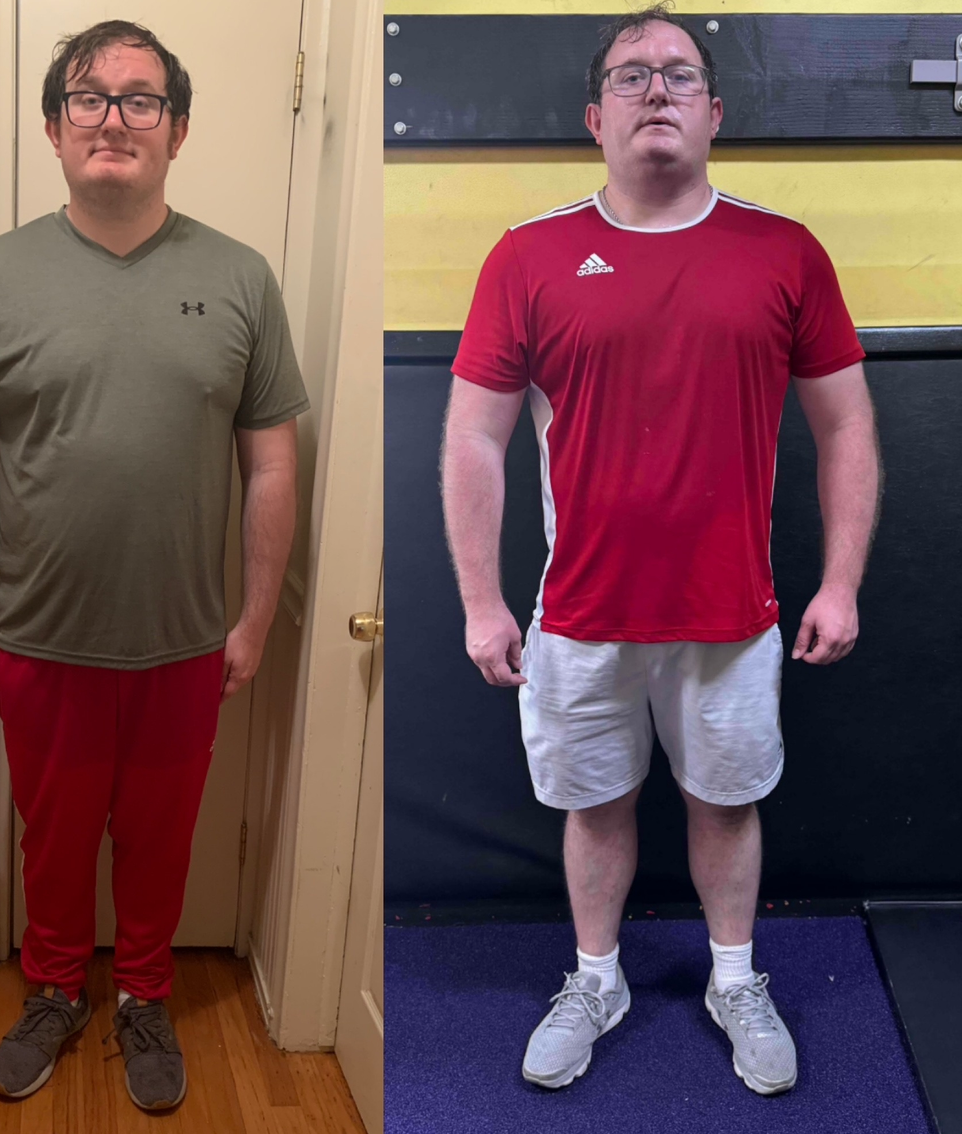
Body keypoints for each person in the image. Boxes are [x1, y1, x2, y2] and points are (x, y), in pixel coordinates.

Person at [441, 3, 880, 1097]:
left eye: (679, 74)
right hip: (582, 609)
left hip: (732, 613)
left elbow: (847, 427)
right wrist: (481, 604)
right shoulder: (528, 257)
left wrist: (841, 580)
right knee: (596, 808)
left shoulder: (784, 252)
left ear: (714, 112)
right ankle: (599, 977)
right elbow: (473, 438)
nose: (656, 91)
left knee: (726, 804)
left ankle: (735, 976)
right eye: (632, 75)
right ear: (596, 116)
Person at [0, 20, 308, 1112]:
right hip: (35, 635)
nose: (115, 120)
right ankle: (52, 988)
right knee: (50, 843)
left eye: (142, 100)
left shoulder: (241, 277)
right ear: (54, 129)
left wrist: (257, 615)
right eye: (89, 98)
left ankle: (142, 995)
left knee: (160, 841)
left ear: (177, 131)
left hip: (185, 640)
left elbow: (271, 460)